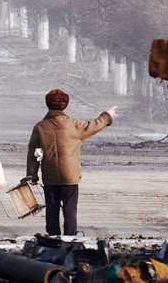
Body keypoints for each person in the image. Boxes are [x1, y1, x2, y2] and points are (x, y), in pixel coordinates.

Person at [25, 89, 117, 237]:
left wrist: (32, 174)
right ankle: (70, 239)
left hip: (50, 176)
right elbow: (94, 125)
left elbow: (34, 153)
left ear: (47, 104)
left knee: (52, 209)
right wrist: (107, 116)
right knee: (70, 210)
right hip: (70, 177)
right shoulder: (73, 125)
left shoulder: (40, 127)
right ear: (65, 105)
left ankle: (53, 239)